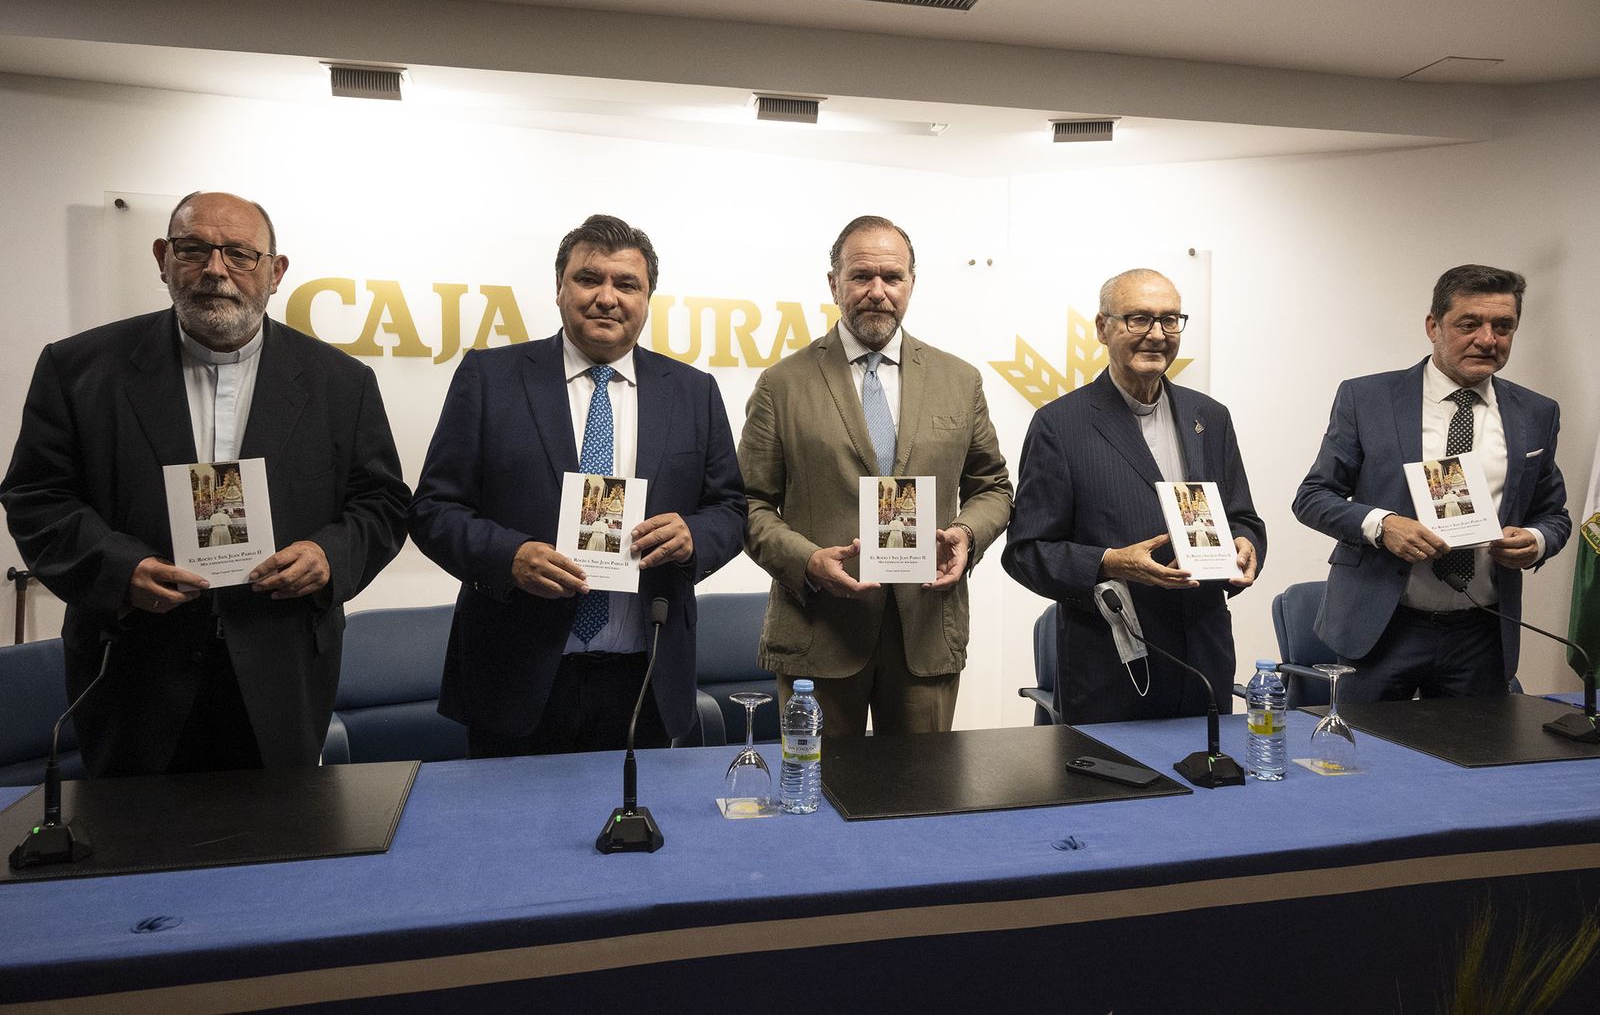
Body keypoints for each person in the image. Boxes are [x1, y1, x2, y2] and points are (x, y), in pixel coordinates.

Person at [1, 191, 409, 777]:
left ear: (276, 272)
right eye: (195, 250)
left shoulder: (341, 382)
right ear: (163, 258)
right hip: (133, 665)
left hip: (281, 667)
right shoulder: (79, 369)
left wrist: (328, 554)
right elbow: (36, 499)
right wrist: (121, 571)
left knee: (282, 846)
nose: (216, 270)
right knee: (133, 852)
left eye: (240, 254)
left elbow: (384, 503)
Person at [409, 214, 746, 756]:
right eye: (590, 279)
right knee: (512, 838)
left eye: (626, 284)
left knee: (643, 834)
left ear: (648, 297)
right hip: (517, 676)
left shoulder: (693, 392)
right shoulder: (489, 378)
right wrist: (510, 557)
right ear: (560, 288)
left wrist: (694, 537)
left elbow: (730, 508)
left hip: (647, 679)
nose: (607, 297)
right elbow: (433, 509)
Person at [739, 215, 1012, 736]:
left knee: (920, 799)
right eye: (862, 276)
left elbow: (993, 486)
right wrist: (809, 561)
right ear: (833, 283)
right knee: (815, 797)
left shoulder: (960, 380)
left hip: (927, 631)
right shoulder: (782, 384)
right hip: (819, 633)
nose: (877, 292)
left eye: (893, 277)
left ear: (912, 282)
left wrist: (967, 534)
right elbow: (748, 503)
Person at [1293, 264, 1570, 701]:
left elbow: (1553, 514)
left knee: (1475, 762)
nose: (1487, 339)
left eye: (1503, 326)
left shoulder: (1537, 413)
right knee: (1365, 762)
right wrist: (1382, 526)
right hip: (1383, 625)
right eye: (1469, 324)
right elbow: (1312, 498)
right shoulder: (1367, 399)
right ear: (1432, 326)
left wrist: (1535, 540)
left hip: (1480, 630)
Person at [1003, 269, 1266, 724]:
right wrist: (1109, 562)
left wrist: (1246, 544)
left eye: (1169, 320)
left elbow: (1242, 517)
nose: (1157, 335)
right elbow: (1026, 552)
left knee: (1213, 793)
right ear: (1103, 328)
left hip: (1205, 656)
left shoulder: (1211, 416)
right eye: (1139, 319)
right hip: (1110, 665)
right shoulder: (1059, 425)